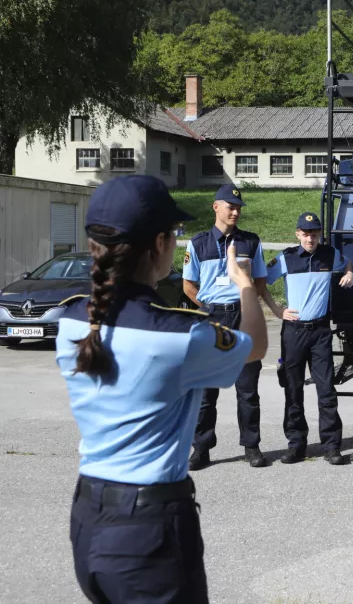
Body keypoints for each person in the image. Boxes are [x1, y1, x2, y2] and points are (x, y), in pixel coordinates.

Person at [55, 175, 267, 603]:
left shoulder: (72, 320)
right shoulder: (178, 335)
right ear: (158, 244)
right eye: (173, 232)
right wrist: (244, 282)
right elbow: (256, 345)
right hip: (148, 529)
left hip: (89, 514)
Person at [182, 184, 270, 469]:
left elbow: (260, 280)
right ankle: (201, 449)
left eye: (239, 208)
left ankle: (251, 446)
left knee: (248, 390)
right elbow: (188, 285)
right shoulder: (198, 243)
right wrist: (208, 308)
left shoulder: (251, 242)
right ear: (216, 207)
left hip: (242, 318)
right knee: (206, 393)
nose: (235, 212)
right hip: (211, 319)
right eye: (230, 207)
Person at [260, 212, 353, 465]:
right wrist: (276, 310)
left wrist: (349, 273)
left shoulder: (330, 254)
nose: (310, 238)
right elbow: (261, 282)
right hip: (294, 332)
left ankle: (331, 446)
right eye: (305, 233)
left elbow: (347, 263)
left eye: (314, 233)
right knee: (293, 390)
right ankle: (296, 445)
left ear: (319, 234)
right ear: (297, 234)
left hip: (320, 332)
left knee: (326, 391)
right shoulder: (286, 258)